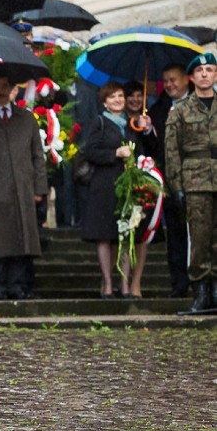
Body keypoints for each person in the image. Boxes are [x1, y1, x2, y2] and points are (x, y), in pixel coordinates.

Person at [0, 70, 48, 299]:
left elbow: (37, 156)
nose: (1, 91)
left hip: (23, 189)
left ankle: (17, 284)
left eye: (5, 86)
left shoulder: (26, 118)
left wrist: (39, 188)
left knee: (21, 238)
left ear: (13, 88)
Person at [79, 81, 149, 299]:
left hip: (127, 184)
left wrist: (146, 130)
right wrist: (114, 154)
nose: (118, 100)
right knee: (104, 235)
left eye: (120, 96)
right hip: (104, 184)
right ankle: (108, 284)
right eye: (112, 97)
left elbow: (146, 150)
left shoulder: (131, 125)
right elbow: (90, 150)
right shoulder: (99, 122)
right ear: (105, 102)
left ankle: (125, 285)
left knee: (126, 235)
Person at [165, 52, 217, 312]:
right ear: (191, 77)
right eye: (200, 71)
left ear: (216, 75)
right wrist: (177, 187)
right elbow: (172, 151)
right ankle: (201, 291)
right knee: (199, 239)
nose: (205, 74)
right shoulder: (181, 110)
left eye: (209, 69)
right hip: (195, 180)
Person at [147, 63, 193, 297]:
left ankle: (204, 284)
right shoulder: (157, 110)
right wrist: (147, 132)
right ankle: (179, 282)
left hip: (198, 178)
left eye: (173, 80)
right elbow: (155, 148)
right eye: (165, 81)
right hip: (171, 180)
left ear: (187, 79)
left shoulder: (201, 103)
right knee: (175, 235)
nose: (169, 85)